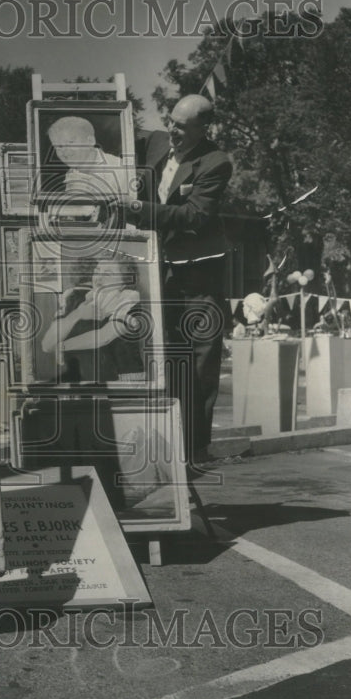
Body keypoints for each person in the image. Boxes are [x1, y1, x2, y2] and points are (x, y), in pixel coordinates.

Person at [127, 94, 232, 463]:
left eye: (182, 127)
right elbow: (111, 136)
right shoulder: (154, 142)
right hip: (155, 275)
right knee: (159, 359)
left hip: (198, 280)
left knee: (199, 369)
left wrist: (141, 210)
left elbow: (195, 216)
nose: (172, 130)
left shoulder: (217, 162)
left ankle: (193, 451)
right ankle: (161, 450)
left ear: (204, 129)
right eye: (171, 121)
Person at [40, 255, 147, 384]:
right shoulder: (88, 298)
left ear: (125, 282)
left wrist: (62, 346)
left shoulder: (128, 300)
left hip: (123, 379)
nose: (98, 278)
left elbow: (104, 336)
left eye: (107, 274)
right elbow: (46, 345)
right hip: (90, 378)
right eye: (97, 271)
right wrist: (78, 314)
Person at [45, 115, 134, 200]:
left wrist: (107, 196)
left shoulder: (120, 168)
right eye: (58, 146)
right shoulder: (70, 174)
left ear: (90, 141)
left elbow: (135, 207)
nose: (63, 151)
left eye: (70, 142)